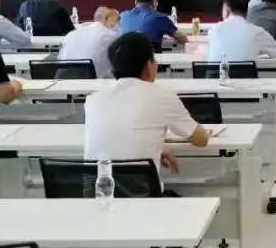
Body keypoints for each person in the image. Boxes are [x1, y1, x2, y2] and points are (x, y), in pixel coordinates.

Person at [84, 32, 209, 184]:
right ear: (149, 65)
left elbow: (116, 138)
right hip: (143, 196)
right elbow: (201, 140)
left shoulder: (93, 99)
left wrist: (157, 146)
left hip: (96, 194)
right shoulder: (161, 95)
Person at [209, 0, 276, 63]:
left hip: (215, 78)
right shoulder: (256, 32)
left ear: (227, 10)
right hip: (245, 77)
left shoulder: (213, 30)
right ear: (247, 11)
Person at [119, 0, 189, 51]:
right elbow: (183, 39)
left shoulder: (122, 16)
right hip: (150, 58)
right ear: (154, 2)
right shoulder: (160, 18)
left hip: (124, 58)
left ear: (135, 2)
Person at [58, 7, 121, 78]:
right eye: (115, 21)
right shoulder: (111, 36)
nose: (116, 25)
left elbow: (60, 59)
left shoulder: (71, 34)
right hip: (95, 81)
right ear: (106, 19)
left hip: (63, 79)